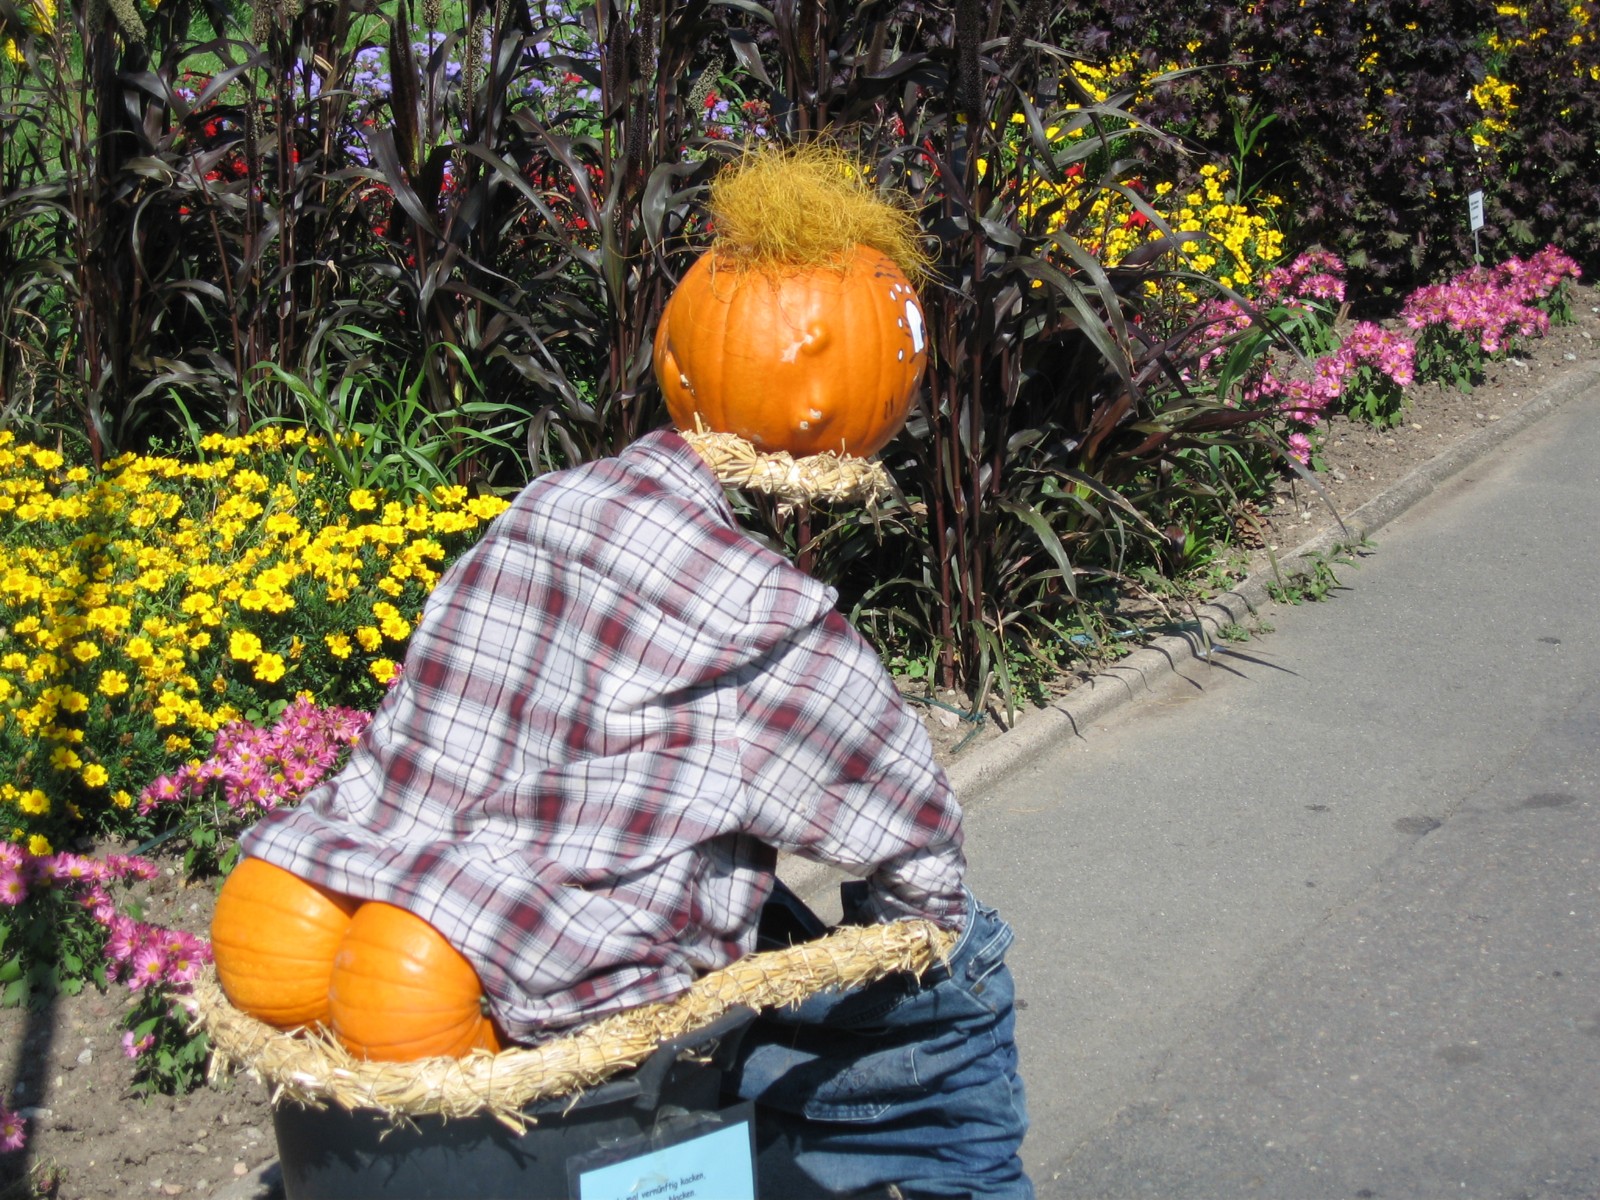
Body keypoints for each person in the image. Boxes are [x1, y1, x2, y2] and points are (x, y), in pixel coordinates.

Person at [241, 427, 1032, 1197]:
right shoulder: (758, 614)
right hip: (579, 977)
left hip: (399, 902)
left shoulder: (543, 509)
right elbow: (900, 809)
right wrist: (924, 919)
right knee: (962, 966)